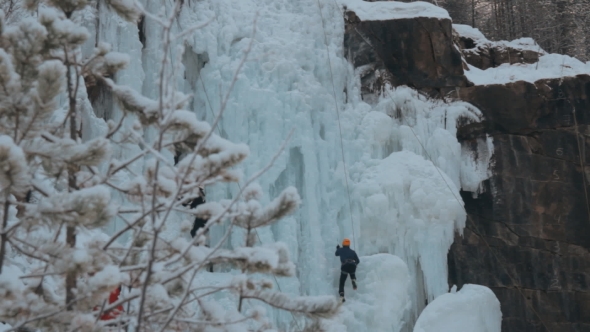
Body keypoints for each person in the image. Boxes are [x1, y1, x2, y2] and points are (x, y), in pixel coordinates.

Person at [335, 238, 359, 303]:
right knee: (352, 273)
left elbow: (336, 254)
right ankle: (353, 280)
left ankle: (342, 295)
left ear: (343, 244)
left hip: (345, 265)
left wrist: (338, 248)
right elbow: (358, 260)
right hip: (352, 265)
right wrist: (355, 264)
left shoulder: (340, 250)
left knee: (342, 282)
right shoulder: (352, 251)